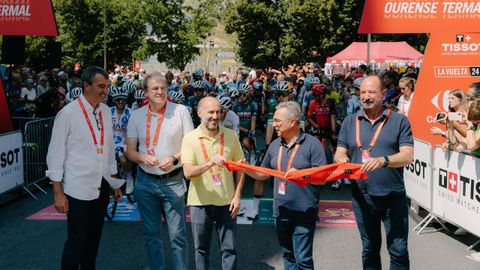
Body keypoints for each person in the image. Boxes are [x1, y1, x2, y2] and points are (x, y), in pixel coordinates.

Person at [46, 66, 124, 269]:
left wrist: (114, 182)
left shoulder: (106, 111)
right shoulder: (68, 114)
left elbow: (107, 151)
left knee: (93, 244)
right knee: (76, 244)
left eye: (107, 86)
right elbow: (55, 154)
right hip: (77, 189)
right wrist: (58, 192)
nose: (105, 91)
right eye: (100, 86)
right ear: (85, 86)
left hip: (101, 187)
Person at [334, 75, 414, 270]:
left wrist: (383, 161)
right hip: (362, 197)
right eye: (362, 92)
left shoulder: (399, 121)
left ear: (383, 94)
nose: (366, 96)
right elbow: (339, 152)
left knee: (398, 251)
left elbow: (407, 155)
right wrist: (341, 159)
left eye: (371, 92)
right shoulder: (349, 121)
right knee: (369, 248)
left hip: (392, 196)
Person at [243, 101, 326, 270]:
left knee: (303, 260)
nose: (274, 125)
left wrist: (302, 174)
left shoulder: (313, 144)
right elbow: (263, 174)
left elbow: (322, 178)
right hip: (280, 212)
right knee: (288, 256)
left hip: (304, 212)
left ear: (292, 122)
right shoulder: (275, 145)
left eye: (277, 120)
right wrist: (244, 168)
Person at [126, 72, 193, 270]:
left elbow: (190, 146)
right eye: (155, 88)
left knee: (178, 235)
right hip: (145, 182)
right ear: (145, 92)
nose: (160, 91)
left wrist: (174, 159)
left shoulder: (181, 111)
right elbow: (130, 150)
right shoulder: (137, 115)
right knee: (151, 233)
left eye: (163, 88)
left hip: (172, 180)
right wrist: (142, 157)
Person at [181, 96, 245, 270]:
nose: (215, 116)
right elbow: (187, 172)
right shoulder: (190, 138)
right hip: (200, 203)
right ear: (199, 112)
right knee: (201, 249)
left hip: (227, 202)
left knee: (229, 250)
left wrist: (237, 196)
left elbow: (241, 168)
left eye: (218, 112)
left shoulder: (230, 135)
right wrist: (209, 163)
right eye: (211, 112)